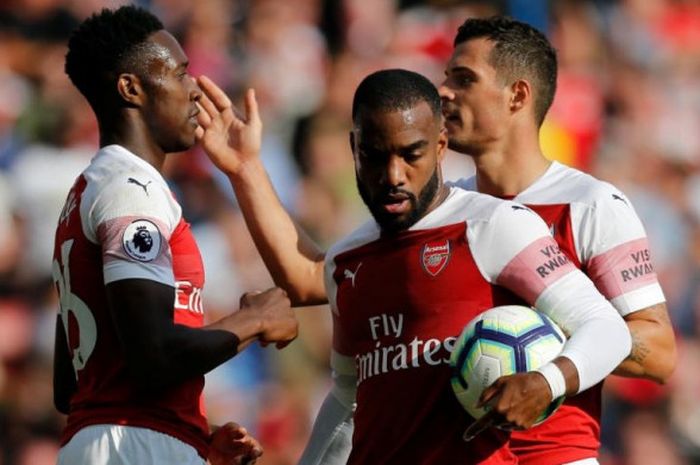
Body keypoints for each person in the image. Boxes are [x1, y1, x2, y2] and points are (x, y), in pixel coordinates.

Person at [195, 68, 632, 464]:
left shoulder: (494, 226)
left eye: (411, 154)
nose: (393, 175)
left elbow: (608, 328)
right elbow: (348, 400)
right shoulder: (349, 260)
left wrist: (546, 382)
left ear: (441, 146)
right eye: (375, 155)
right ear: (354, 149)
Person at [53, 6, 298, 465]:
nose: (196, 91)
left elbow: (71, 386)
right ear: (131, 88)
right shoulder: (130, 191)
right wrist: (255, 320)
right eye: (181, 74)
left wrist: (194, 438)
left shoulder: (89, 191)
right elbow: (154, 355)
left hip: (122, 440)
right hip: (132, 445)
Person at [438, 16, 676, 465]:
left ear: (518, 95)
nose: (444, 92)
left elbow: (659, 354)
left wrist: (543, 351)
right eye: (446, 78)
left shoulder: (590, 204)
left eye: (463, 79)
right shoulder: (446, 209)